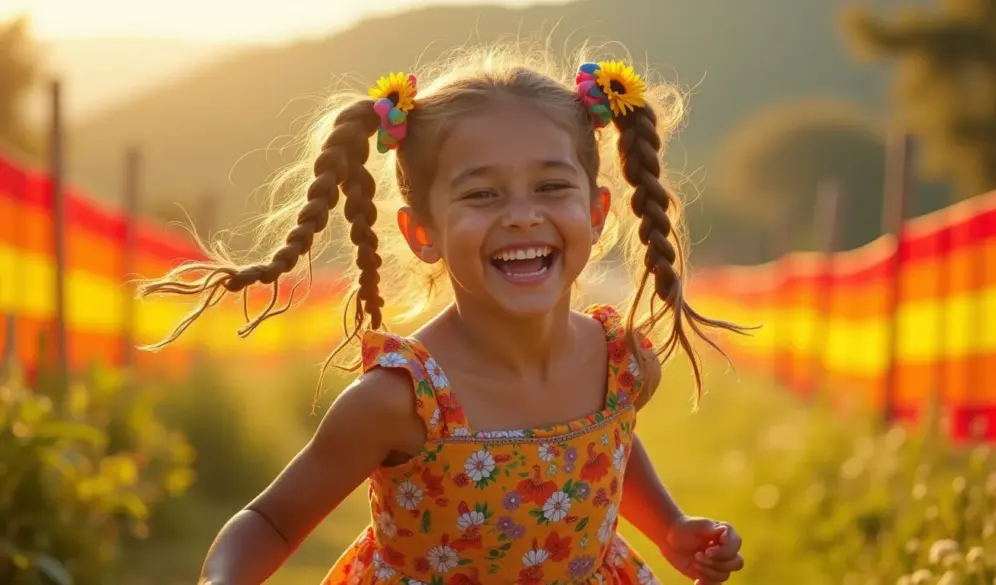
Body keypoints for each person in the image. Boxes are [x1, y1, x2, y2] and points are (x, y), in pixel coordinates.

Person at [141, 43, 748, 585]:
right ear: (422, 233)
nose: (522, 216)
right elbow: (272, 521)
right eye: (481, 194)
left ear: (595, 214)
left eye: (551, 187)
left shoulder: (622, 365)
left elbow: (609, 446)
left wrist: (669, 525)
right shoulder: (398, 401)